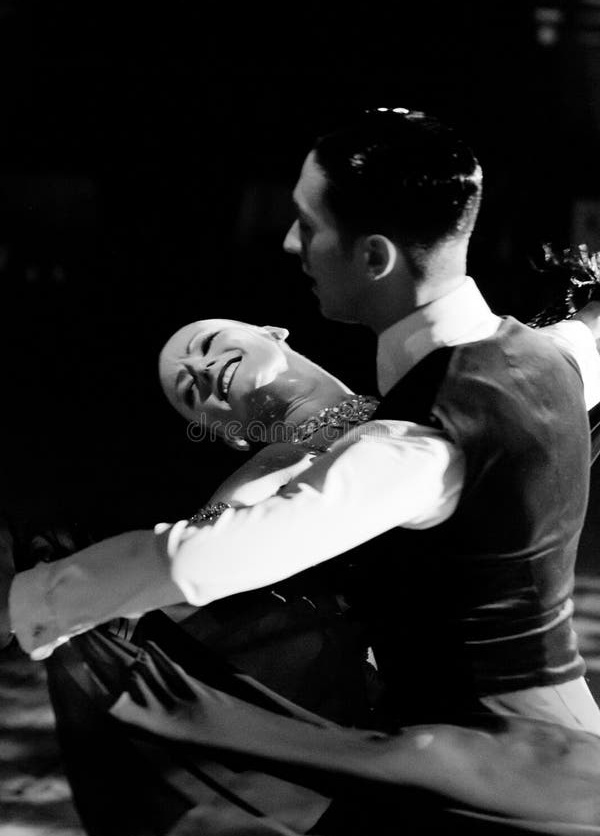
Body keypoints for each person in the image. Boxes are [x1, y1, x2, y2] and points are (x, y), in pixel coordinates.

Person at [8, 109, 600, 730]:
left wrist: (22, 602)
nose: (291, 242)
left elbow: (197, 561)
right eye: (192, 390)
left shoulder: (418, 438)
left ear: (374, 256)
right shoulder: (540, 357)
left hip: (503, 752)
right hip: (479, 735)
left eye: (309, 224)